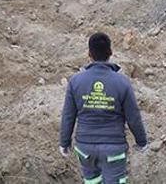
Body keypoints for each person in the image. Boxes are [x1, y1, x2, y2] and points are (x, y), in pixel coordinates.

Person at [59, 32, 148, 184]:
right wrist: (142, 142)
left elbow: (68, 115)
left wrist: (64, 142)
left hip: (85, 148)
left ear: (89, 54)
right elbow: (133, 117)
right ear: (110, 53)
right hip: (113, 149)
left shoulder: (75, 81)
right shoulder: (122, 82)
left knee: (92, 181)